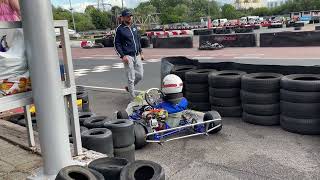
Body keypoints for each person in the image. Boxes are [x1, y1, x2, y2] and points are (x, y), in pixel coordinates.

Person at [114, 9, 144, 101]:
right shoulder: (119, 29)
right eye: (127, 16)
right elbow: (116, 44)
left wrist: (141, 52)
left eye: (131, 16)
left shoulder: (134, 27)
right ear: (122, 18)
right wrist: (122, 56)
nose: (130, 18)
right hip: (128, 56)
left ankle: (129, 87)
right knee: (131, 78)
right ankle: (133, 99)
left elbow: (137, 40)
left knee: (140, 75)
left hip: (137, 55)